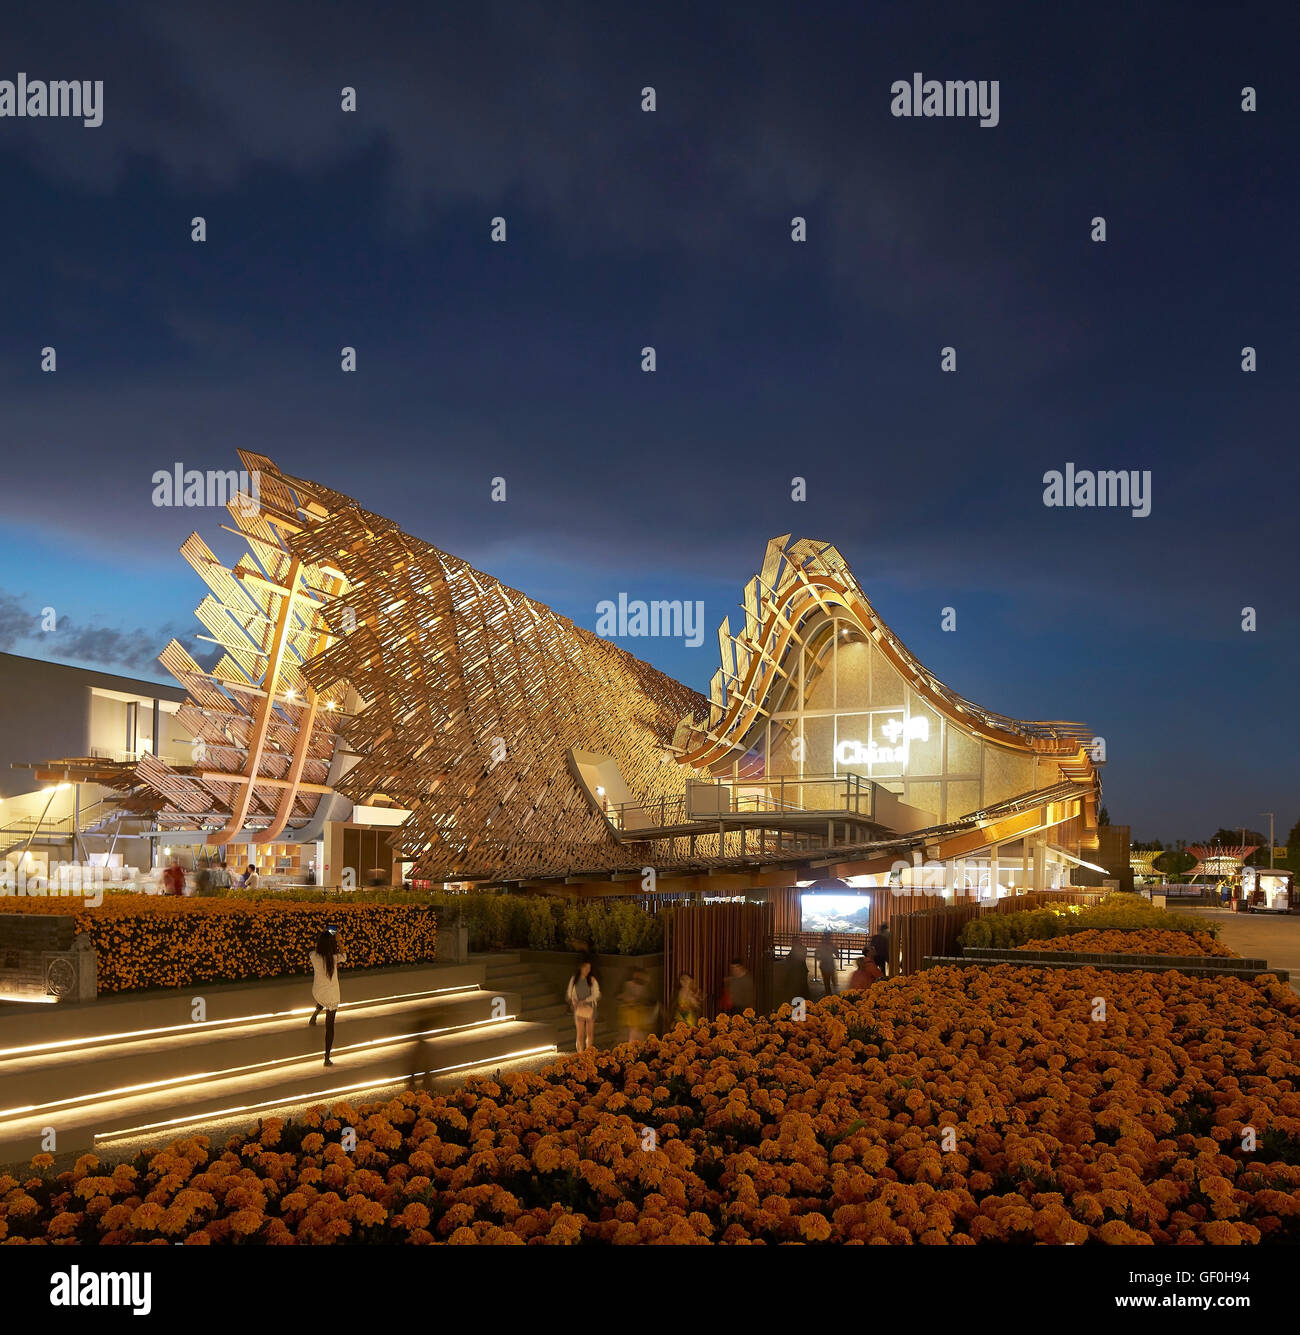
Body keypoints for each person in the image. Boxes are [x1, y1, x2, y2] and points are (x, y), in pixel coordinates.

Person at [308, 928, 347, 1067]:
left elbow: (313, 950)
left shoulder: (313, 956)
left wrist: (322, 940)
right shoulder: (334, 957)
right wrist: (338, 940)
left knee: (321, 1000)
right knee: (329, 1027)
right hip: (332, 994)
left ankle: (314, 1015)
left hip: (319, 991)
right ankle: (327, 1058)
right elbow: (345, 956)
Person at [566, 959, 600, 1052]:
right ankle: (580, 1053)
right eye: (586, 967)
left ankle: (588, 1052)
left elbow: (596, 994)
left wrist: (585, 1000)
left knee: (589, 1032)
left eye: (589, 968)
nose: (587, 970)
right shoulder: (574, 979)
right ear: (581, 967)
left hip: (590, 1007)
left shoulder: (592, 980)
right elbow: (570, 992)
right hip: (579, 1008)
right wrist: (574, 1001)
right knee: (580, 1033)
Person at [618, 968, 657, 1043]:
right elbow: (622, 996)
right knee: (633, 1034)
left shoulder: (644, 986)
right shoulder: (628, 984)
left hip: (640, 1015)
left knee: (640, 1035)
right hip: (632, 1014)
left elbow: (646, 999)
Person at [816, 930, 838, 997]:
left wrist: (821, 957)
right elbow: (837, 954)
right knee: (831, 978)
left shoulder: (821, 945)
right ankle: (831, 992)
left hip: (824, 964)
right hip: (829, 963)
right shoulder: (831, 944)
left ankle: (829, 993)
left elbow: (816, 955)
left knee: (826, 980)